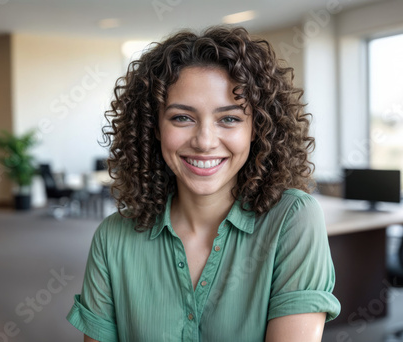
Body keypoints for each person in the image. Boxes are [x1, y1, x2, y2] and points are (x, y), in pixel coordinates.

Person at [66, 25, 341, 342]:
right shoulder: (113, 238)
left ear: (257, 128)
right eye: (182, 117)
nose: (205, 141)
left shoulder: (293, 220)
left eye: (229, 118)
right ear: (155, 127)